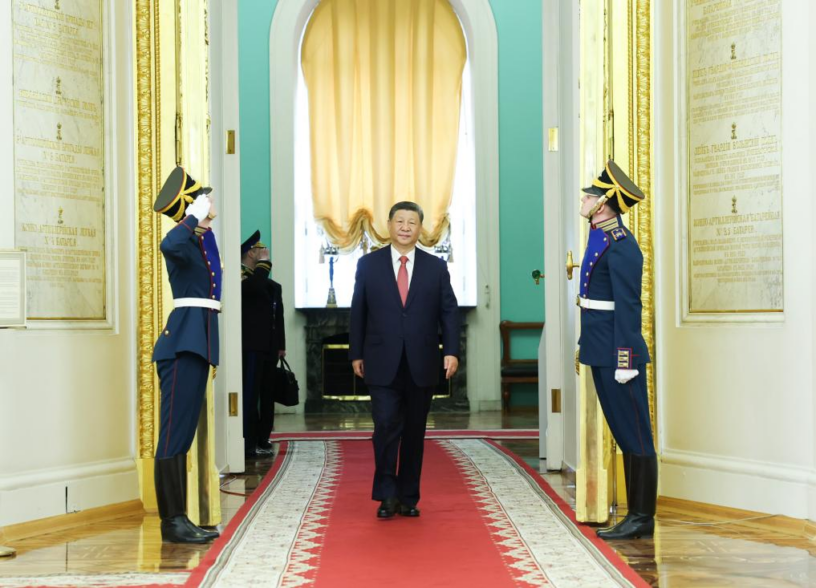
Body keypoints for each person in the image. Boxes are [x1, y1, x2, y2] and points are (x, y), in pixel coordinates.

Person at [349, 201, 460, 519]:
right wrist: (356, 353)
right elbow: (358, 311)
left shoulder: (435, 267)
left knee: (414, 431)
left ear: (420, 228)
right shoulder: (368, 265)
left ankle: (409, 496)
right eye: (400, 221)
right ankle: (386, 495)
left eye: (412, 222)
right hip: (380, 360)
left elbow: (449, 312)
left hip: (422, 361)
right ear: (389, 225)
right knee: (385, 426)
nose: (405, 227)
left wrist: (451, 351)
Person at [577, 159, 657, 540]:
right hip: (600, 347)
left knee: (635, 435)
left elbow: (628, 307)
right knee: (624, 433)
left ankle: (642, 517)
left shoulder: (622, 246)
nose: (584, 199)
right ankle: (635, 515)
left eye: (590, 195)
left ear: (604, 203)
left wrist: (625, 360)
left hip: (617, 354)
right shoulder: (599, 235)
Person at [151, 166, 221, 544]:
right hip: (181, 345)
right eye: (204, 199)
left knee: (183, 434)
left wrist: (198, 222)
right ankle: (172, 521)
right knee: (173, 435)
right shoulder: (182, 241)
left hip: (198, 342)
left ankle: (181, 517)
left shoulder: (201, 241)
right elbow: (169, 245)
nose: (211, 202)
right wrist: (192, 215)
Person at [240, 231, 286, 457]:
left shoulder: (271, 285)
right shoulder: (241, 278)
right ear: (251, 253)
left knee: (267, 395)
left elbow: (278, 317)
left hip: (269, 347)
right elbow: (255, 286)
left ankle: (263, 438)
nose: (266, 252)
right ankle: (248, 443)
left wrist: (280, 345)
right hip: (250, 347)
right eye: (261, 250)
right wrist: (264, 263)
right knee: (250, 396)